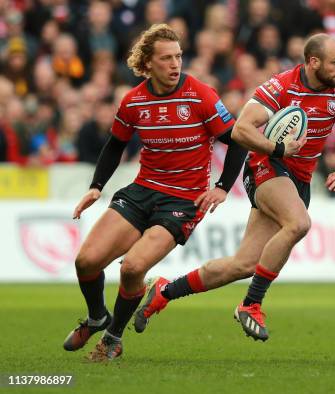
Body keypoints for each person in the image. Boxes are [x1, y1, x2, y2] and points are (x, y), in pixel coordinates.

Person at [133, 33, 335, 341]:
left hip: (299, 179)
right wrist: (277, 149)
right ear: (314, 62)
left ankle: (164, 291)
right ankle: (251, 304)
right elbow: (242, 129)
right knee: (298, 223)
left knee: (243, 264)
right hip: (267, 165)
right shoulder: (283, 86)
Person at [61, 24, 247, 361]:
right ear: (148, 64)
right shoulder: (134, 101)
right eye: (166, 58)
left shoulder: (200, 95)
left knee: (132, 269)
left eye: (178, 56)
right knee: (86, 261)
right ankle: (96, 317)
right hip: (142, 190)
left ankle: (113, 337)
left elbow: (235, 142)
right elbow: (115, 145)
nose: (175, 64)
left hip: (183, 200)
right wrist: (96, 187)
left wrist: (221, 187)